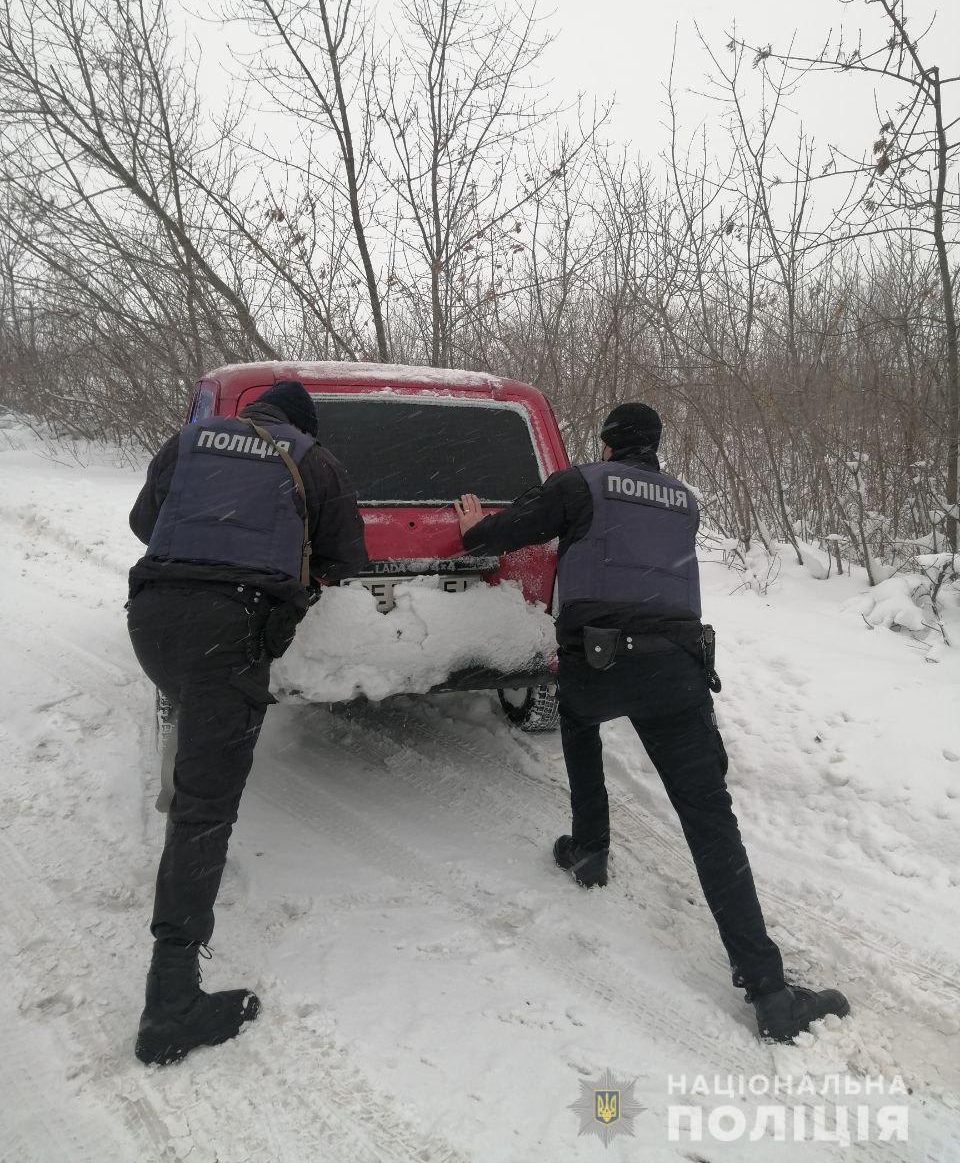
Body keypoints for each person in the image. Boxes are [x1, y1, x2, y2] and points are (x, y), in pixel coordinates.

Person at [453, 402, 848, 1042]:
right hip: (676, 669)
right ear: (656, 449)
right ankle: (770, 992)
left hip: (598, 664)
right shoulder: (684, 500)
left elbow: (508, 534)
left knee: (578, 721)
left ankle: (589, 849)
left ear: (607, 446)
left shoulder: (580, 483)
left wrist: (475, 526)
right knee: (708, 815)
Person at [127, 380, 367, 1064]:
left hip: (152, 619)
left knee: (199, 740)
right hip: (229, 630)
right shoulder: (312, 459)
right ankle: (170, 1006)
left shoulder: (188, 440)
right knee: (205, 808)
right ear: (301, 422)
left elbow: (147, 524)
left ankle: (187, 768)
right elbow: (347, 558)